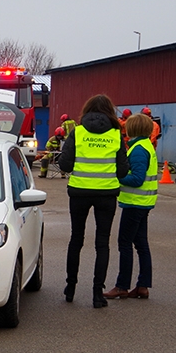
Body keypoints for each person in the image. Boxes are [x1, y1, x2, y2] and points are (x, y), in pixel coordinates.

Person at [57, 94, 129, 308]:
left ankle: (70, 288)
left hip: (79, 193)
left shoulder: (77, 133)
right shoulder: (116, 135)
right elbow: (123, 170)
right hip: (106, 194)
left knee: (76, 240)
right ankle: (98, 294)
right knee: (102, 243)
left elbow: (65, 165)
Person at [105, 113, 158, 301]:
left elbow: (137, 179)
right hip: (143, 203)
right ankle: (143, 285)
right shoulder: (145, 146)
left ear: (132, 128)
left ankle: (122, 286)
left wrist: (115, 178)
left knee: (125, 244)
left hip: (135, 204)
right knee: (141, 244)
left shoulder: (137, 150)